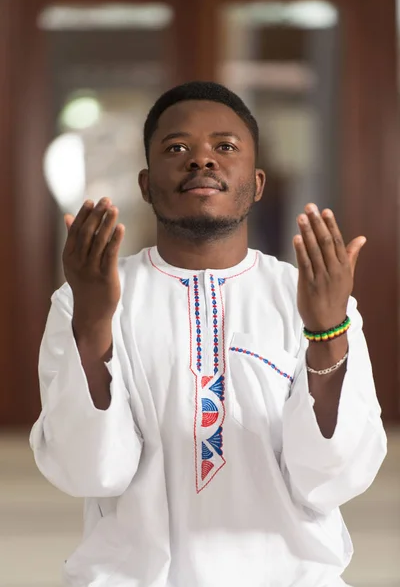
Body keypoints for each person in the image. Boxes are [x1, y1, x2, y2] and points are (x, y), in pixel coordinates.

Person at [30, 81, 386, 587]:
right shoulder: (85, 299)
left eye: (225, 147)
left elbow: (332, 479)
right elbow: (88, 472)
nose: (202, 162)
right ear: (146, 183)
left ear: (258, 182)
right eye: (177, 148)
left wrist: (327, 333)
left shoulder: (309, 296)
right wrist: (92, 326)